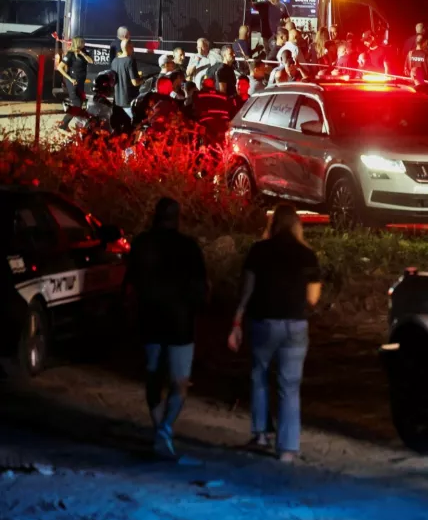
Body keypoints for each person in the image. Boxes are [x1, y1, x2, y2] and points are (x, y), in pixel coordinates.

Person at [228, 205, 322, 462]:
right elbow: (313, 298)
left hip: (264, 322)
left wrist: (236, 321)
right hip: (295, 325)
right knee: (289, 386)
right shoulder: (307, 255)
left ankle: (260, 435)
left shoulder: (259, 251)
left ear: (274, 223)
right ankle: (288, 448)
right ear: (296, 224)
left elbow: (246, 290)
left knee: (259, 375)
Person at [124, 198, 208, 460]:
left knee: (153, 378)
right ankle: (165, 428)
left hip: (150, 317)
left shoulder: (141, 244)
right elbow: (203, 286)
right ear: (177, 217)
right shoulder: (188, 247)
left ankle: (161, 428)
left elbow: (129, 282)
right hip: (180, 320)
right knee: (179, 382)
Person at [56, 37, 94, 131]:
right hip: (73, 81)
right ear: (78, 43)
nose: (84, 43)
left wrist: (82, 53)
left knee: (80, 103)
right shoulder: (70, 54)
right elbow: (59, 67)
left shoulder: (84, 52)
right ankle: (63, 124)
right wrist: (70, 78)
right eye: (82, 42)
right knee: (77, 104)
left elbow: (91, 61)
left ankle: (76, 125)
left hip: (81, 81)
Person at [110, 39, 141, 119]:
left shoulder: (114, 61)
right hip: (129, 100)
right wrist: (142, 80)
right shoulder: (130, 60)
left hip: (118, 101)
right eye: (132, 46)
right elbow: (134, 82)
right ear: (130, 47)